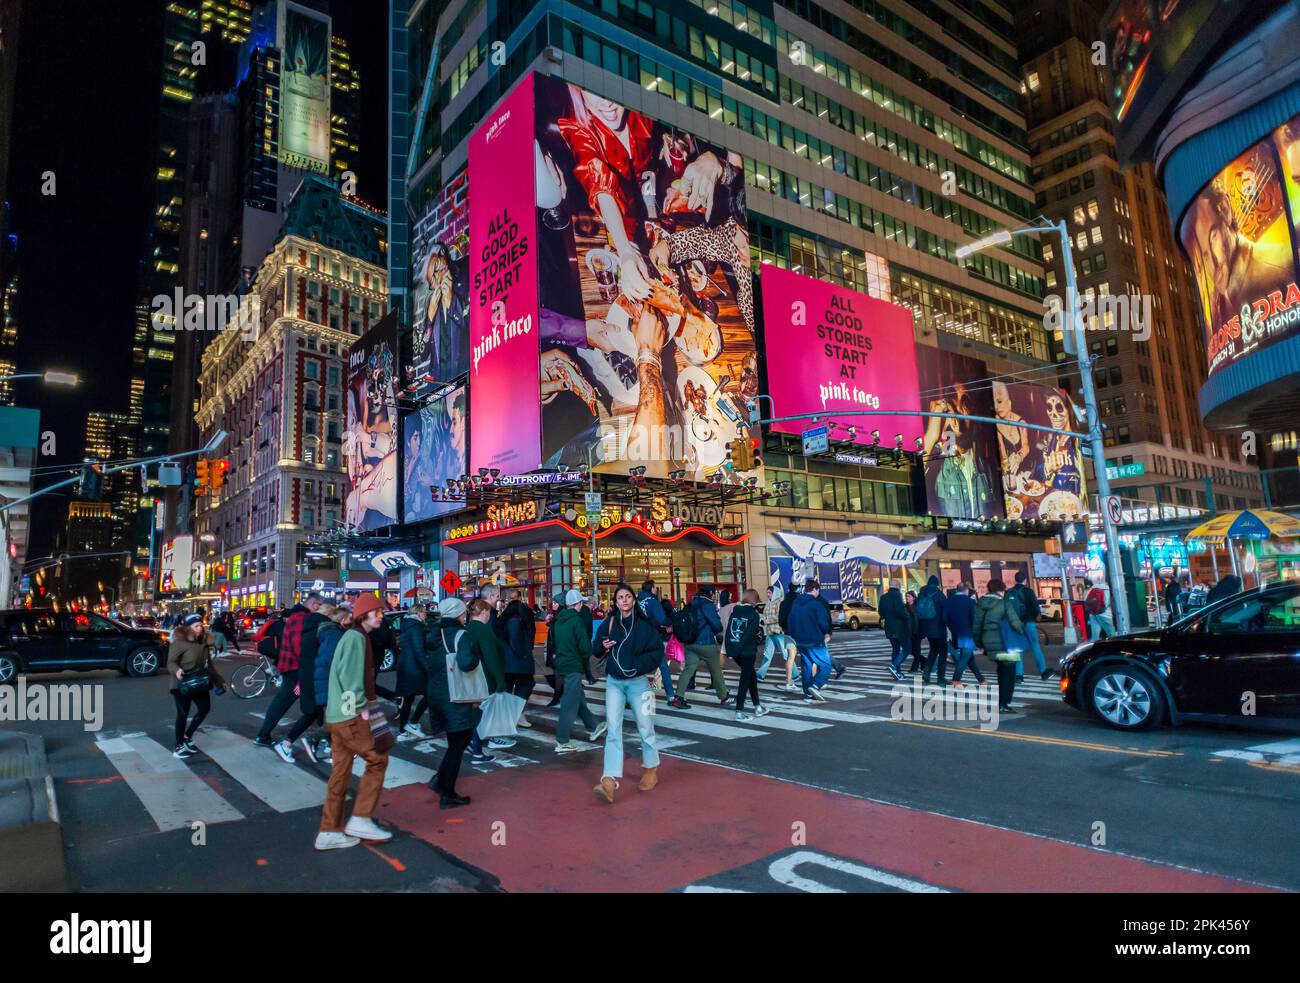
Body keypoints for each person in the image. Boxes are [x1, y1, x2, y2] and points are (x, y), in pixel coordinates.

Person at [316, 593, 392, 851]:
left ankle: (329, 830)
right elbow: (350, 679)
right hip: (350, 716)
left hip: (338, 716)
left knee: (340, 773)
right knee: (378, 759)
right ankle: (360, 818)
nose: (381, 616)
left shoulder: (356, 637)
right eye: (377, 612)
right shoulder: (356, 638)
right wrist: (360, 711)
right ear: (364, 615)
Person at [592, 583, 664, 802]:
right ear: (615, 602)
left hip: (639, 683)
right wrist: (602, 646)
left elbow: (657, 652)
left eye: (627, 596)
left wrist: (637, 664)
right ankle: (609, 780)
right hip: (614, 682)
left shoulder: (645, 626)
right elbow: (595, 649)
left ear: (633, 600)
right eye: (619, 597)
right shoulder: (610, 623)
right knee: (613, 728)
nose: (623, 600)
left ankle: (651, 768)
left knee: (646, 726)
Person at [425, 597, 482, 808]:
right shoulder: (461, 634)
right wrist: (476, 657)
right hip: (456, 694)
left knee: (456, 740)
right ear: (459, 613)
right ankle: (447, 793)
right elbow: (466, 663)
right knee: (459, 742)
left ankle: (440, 780)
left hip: (437, 691)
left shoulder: (434, 633)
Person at [254, 592, 324, 748]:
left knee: (291, 701)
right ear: (314, 605)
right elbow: (301, 648)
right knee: (312, 702)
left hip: (291, 667)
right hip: (297, 668)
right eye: (320, 606)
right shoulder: (302, 619)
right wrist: (302, 677)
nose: (321, 610)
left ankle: (263, 735)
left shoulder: (296, 616)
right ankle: (322, 737)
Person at [552, 589, 608, 752]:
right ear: (577, 604)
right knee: (570, 704)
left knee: (577, 698)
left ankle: (593, 727)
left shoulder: (559, 621)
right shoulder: (576, 621)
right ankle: (562, 741)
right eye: (581, 603)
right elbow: (584, 646)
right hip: (573, 665)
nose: (582, 605)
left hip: (561, 665)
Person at [167, 614, 224, 759]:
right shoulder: (179, 642)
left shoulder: (203, 642)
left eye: (201, 625)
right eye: (196, 626)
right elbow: (170, 662)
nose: (200, 628)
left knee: (205, 709)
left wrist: (219, 681)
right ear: (187, 628)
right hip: (181, 683)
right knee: (183, 714)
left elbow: (208, 664)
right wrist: (177, 670)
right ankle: (179, 746)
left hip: (199, 681)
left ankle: (187, 736)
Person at [464, 598, 513, 756]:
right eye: (489, 613)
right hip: (484, 678)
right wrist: (500, 681)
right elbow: (491, 658)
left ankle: (475, 741)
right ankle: (479, 746)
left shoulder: (467, 628)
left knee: (476, 711)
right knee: (483, 712)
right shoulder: (483, 631)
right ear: (484, 612)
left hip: (470, 677)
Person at [672, 586, 730, 708]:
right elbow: (717, 626)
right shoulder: (708, 605)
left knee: (688, 670)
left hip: (689, 642)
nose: (714, 596)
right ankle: (723, 696)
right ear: (710, 593)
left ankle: (678, 697)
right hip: (706, 643)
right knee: (716, 670)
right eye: (713, 593)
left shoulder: (691, 603)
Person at [973, 579, 1026, 714]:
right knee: (1009, 671)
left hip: (989, 644)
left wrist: (979, 643)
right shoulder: (1004, 603)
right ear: (1001, 590)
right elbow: (1015, 623)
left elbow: (976, 626)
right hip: (1004, 643)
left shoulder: (980, 603)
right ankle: (1004, 703)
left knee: (1002, 669)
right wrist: (1023, 633)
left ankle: (1002, 702)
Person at [725, 589, 768, 720]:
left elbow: (729, 630)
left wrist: (731, 650)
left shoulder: (735, 611)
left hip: (735, 650)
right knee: (745, 680)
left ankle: (758, 707)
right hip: (748, 651)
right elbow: (750, 634)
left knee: (751, 677)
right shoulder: (754, 614)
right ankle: (739, 710)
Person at [788, 579, 833, 703]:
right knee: (826, 665)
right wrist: (827, 633)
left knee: (806, 666)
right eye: (818, 590)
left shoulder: (796, 603)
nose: (818, 593)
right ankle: (815, 686)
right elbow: (823, 622)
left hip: (799, 640)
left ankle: (807, 694)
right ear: (815, 589)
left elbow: (790, 621)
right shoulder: (816, 604)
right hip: (815, 640)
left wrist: (794, 635)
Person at [499, 588, 537, 730]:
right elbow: (528, 635)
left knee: (508, 686)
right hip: (521, 659)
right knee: (525, 684)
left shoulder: (503, 616)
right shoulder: (523, 613)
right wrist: (526, 651)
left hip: (507, 660)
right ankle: (516, 713)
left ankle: (512, 714)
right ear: (520, 598)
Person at [635, 579, 676, 703]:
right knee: (663, 666)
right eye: (655, 588)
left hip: (637, 637)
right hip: (652, 637)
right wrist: (670, 623)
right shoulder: (652, 601)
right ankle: (670, 695)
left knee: (636, 667)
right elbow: (662, 619)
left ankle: (632, 696)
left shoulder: (635, 601)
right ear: (652, 588)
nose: (656, 590)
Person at [395, 604, 431, 737]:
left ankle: (402, 730)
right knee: (429, 695)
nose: (425, 615)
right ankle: (413, 723)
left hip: (406, 667)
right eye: (424, 612)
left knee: (408, 699)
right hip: (415, 669)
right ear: (418, 613)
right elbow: (418, 651)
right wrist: (428, 668)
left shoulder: (407, 625)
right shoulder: (416, 628)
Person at [1007, 571, 1049, 680]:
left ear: (1015, 580)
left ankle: (1019, 675)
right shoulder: (1028, 591)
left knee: (1018, 649)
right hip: (1029, 623)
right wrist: (1037, 615)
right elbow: (1035, 607)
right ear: (1025, 580)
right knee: (1035, 646)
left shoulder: (1009, 592)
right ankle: (1043, 672)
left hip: (1015, 624)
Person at [945, 583, 984, 687]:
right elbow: (974, 619)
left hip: (955, 632)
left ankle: (981, 679)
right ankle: (956, 680)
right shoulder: (970, 602)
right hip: (968, 633)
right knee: (964, 658)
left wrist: (952, 627)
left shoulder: (948, 601)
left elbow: (945, 618)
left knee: (969, 658)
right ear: (966, 591)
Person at [757, 585, 796, 689]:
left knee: (786, 655)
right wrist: (764, 620)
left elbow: (778, 617)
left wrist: (765, 621)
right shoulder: (768, 603)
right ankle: (760, 675)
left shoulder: (779, 602)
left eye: (770, 592)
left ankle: (795, 674)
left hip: (779, 632)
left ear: (775, 593)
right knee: (767, 655)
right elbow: (765, 615)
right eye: (767, 592)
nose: (768, 594)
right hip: (770, 633)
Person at [917, 575, 950, 686]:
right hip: (939, 628)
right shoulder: (939, 595)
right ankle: (941, 678)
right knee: (943, 653)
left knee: (933, 650)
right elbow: (946, 613)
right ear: (937, 584)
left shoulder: (922, 594)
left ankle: (927, 672)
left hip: (927, 629)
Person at [880, 581, 910, 680]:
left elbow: (881, 613)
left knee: (895, 649)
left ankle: (897, 672)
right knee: (906, 648)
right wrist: (907, 617)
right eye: (900, 585)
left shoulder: (883, 597)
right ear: (897, 586)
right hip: (899, 626)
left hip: (889, 626)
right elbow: (900, 610)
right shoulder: (897, 595)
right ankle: (894, 666)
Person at [543, 592, 564, 707]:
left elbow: (558, 634)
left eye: (555, 602)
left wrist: (556, 651)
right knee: (558, 673)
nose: (553, 604)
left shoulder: (561, 616)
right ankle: (559, 694)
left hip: (557, 650)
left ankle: (557, 696)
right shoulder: (556, 615)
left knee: (558, 674)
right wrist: (549, 622)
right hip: (553, 649)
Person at [904, 590, 923, 673]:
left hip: (917, 631)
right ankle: (925, 661)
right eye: (906, 596)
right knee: (910, 650)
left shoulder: (918, 607)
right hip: (908, 632)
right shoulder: (904, 607)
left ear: (914, 598)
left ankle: (914, 668)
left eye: (909, 596)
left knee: (917, 650)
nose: (907, 598)